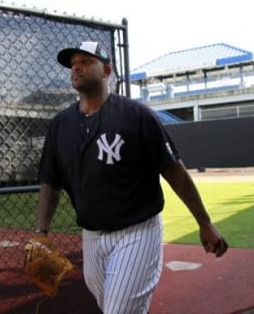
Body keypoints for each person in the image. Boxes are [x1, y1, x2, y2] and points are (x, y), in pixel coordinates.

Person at [34, 41, 228, 314]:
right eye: (73, 63)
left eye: (86, 61)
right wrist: (41, 232)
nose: (76, 66)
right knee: (111, 307)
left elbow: (174, 172)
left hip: (137, 232)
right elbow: (50, 182)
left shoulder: (136, 116)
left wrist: (204, 223)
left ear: (106, 71)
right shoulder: (60, 125)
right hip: (91, 237)